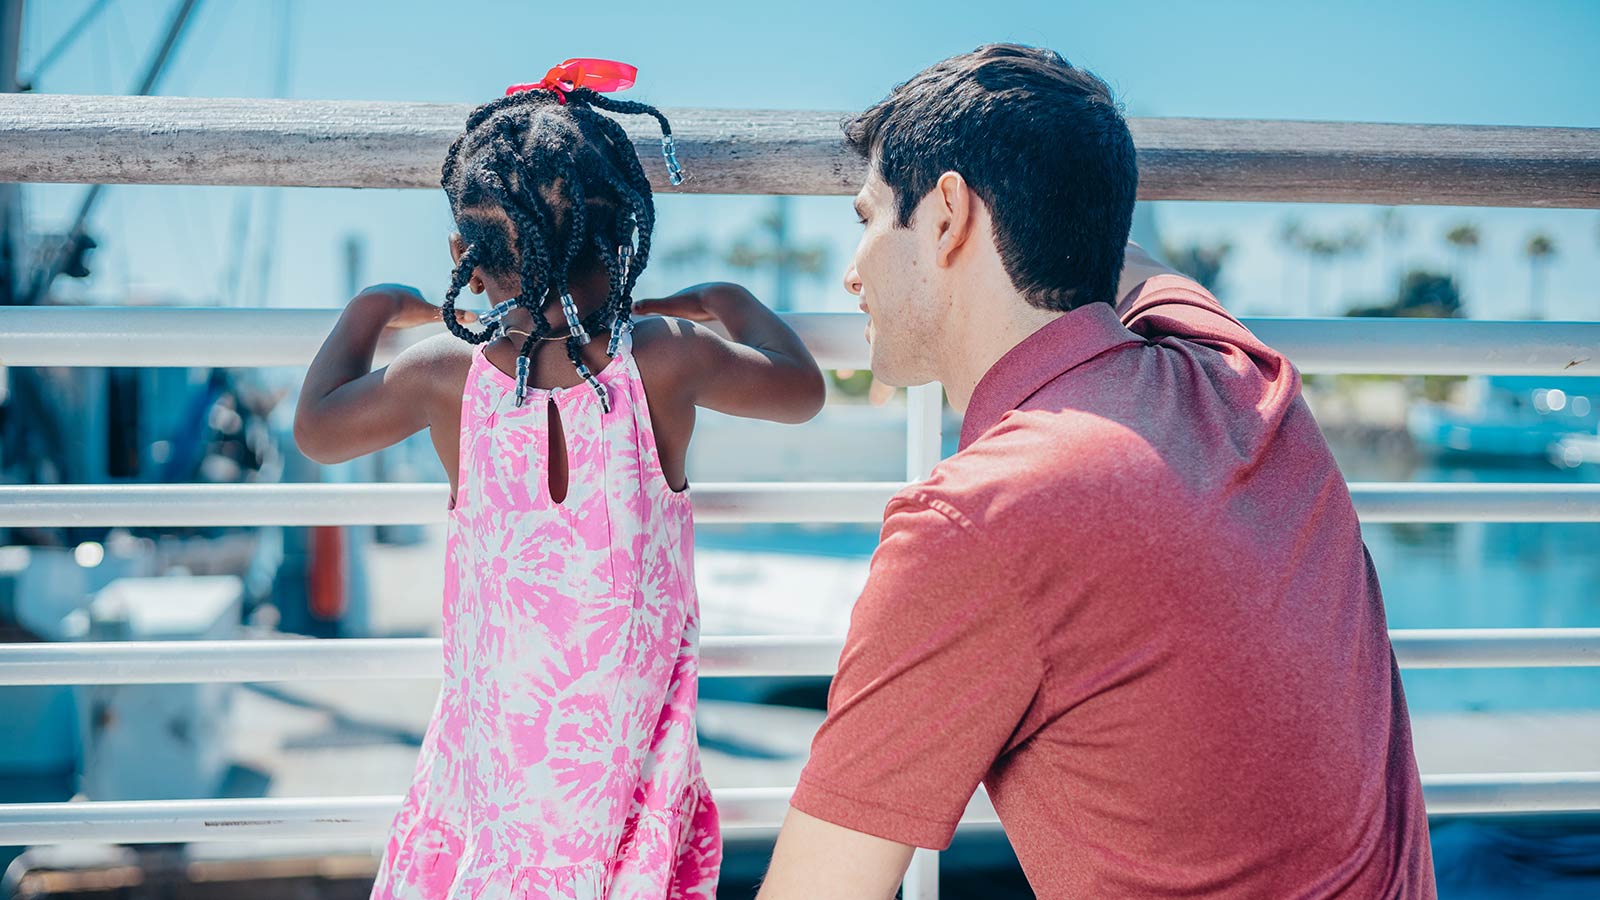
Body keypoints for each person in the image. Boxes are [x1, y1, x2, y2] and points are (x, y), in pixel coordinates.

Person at [757, 44, 1435, 899]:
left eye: (868, 217)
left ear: (946, 217)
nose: (852, 271)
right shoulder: (1239, 375)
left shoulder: (975, 521)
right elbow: (1125, 257)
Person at [294, 60, 826, 900]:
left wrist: (371, 307)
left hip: (496, 762)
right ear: (625, 243)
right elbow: (802, 391)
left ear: (466, 260)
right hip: (624, 760)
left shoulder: (444, 371)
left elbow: (317, 430)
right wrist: (728, 299)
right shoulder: (666, 358)